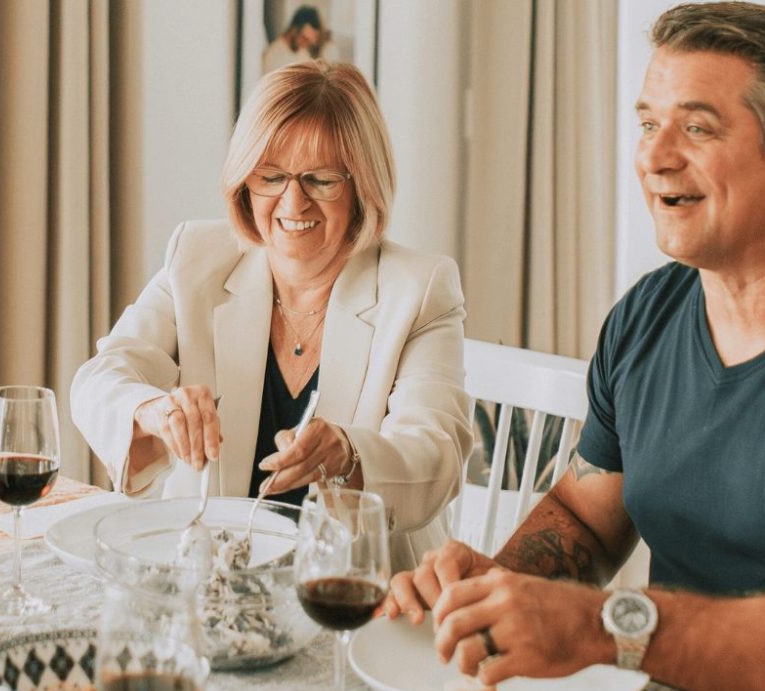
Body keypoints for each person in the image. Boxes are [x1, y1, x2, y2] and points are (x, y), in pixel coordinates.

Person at [381, 2, 765, 691]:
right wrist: (502, 588)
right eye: (647, 124)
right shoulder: (645, 315)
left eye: (698, 127)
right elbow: (585, 511)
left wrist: (608, 627)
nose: (655, 156)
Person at [72, 60, 472, 571]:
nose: (292, 200)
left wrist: (350, 455)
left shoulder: (419, 288)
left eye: (320, 179)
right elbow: (97, 381)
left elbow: (436, 453)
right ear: (245, 182)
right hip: (213, 580)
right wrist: (154, 410)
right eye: (271, 176)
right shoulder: (197, 256)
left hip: (360, 590)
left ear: (362, 185)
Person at [262, 5, 338, 74]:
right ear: (294, 29)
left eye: (310, 43)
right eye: (305, 39)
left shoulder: (302, 51)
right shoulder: (273, 55)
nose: (306, 46)